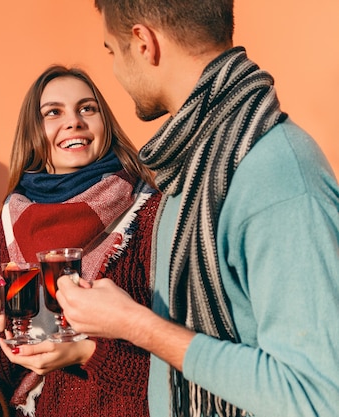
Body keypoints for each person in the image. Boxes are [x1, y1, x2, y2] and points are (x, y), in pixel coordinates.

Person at [56, 1, 339, 416]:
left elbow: (317, 397)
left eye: (110, 51)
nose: (114, 70)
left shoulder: (276, 173)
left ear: (143, 43)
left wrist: (137, 325)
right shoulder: (188, 170)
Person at [0, 65, 161, 416]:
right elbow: (6, 369)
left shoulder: (148, 211)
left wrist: (86, 353)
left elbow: (180, 361)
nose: (74, 121)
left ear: (105, 123)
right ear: (34, 133)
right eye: (53, 112)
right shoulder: (14, 219)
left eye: (87, 108)